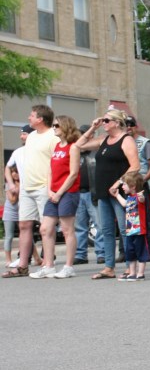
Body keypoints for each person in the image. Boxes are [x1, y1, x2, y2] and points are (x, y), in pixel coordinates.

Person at [75, 109, 140, 280]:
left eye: (107, 120)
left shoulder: (126, 140)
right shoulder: (104, 139)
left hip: (118, 191)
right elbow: (79, 145)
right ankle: (109, 267)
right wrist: (92, 127)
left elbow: (135, 166)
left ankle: (130, 267)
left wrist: (118, 183)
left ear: (117, 122)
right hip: (103, 192)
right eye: (103, 120)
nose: (104, 123)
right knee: (106, 230)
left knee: (125, 230)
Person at [2, 106, 59, 278]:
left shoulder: (53, 136)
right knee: (24, 225)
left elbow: (56, 162)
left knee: (46, 228)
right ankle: (22, 266)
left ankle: (48, 265)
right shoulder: (32, 136)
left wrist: (52, 187)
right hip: (27, 188)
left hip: (43, 186)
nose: (29, 118)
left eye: (32, 115)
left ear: (41, 119)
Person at [30, 115, 81, 279]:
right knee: (45, 228)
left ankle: (68, 266)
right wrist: (50, 190)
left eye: (57, 125)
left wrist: (59, 192)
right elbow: (50, 170)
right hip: (54, 193)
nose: (54, 128)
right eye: (53, 125)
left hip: (68, 192)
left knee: (67, 229)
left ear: (65, 126)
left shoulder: (73, 147)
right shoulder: (58, 146)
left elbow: (73, 174)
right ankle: (49, 265)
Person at [126, 115, 150, 257]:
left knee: (145, 218)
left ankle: (148, 250)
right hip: (126, 185)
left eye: (131, 125)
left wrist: (142, 181)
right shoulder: (123, 142)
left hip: (140, 185)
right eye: (125, 125)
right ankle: (128, 251)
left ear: (135, 126)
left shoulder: (145, 143)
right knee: (128, 218)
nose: (128, 128)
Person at [111, 171, 149, 281]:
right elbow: (124, 204)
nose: (122, 186)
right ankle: (132, 272)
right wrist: (117, 195)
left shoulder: (138, 197)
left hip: (140, 231)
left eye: (124, 184)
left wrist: (141, 196)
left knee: (141, 251)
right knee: (130, 252)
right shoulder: (130, 198)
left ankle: (140, 273)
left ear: (132, 186)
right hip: (130, 230)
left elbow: (142, 200)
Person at [74, 124, 103, 265]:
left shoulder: (96, 152)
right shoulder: (76, 152)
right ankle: (80, 254)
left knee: (99, 225)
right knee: (79, 226)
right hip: (78, 193)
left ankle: (101, 253)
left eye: (84, 134)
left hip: (93, 193)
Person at [3, 164, 20, 267]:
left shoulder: (24, 183)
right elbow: (12, 200)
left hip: (21, 212)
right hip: (10, 213)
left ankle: (36, 258)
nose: (14, 174)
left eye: (16, 171)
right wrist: (17, 189)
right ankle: (8, 260)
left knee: (27, 235)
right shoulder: (8, 184)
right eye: (12, 172)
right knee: (9, 236)